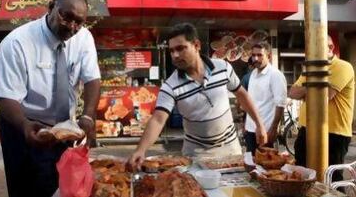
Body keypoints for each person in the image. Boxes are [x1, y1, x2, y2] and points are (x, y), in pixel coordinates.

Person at [0, 0, 101, 197]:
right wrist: (24, 125)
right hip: (24, 125)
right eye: (67, 17)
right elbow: (6, 96)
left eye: (79, 22)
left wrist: (88, 116)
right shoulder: (17, 42)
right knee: (26, 187)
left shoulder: (83, 38)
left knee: (63, 185)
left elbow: (92, 79)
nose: (72, 27)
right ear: (51, 8)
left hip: (64, 127)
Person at [129, 23, 267, 167]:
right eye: (171, 51)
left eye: (180, 48)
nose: (175, 55)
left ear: (196, 45)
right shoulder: (170, 86)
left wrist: (259, 125)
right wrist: (140, 150)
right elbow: (158, 119)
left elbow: (242, 95)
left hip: (230, 148)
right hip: (196, 154)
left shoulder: (223, 67)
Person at [289, 35, 354, 182]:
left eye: (315, 48)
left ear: (330, 48)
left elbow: (325, 95)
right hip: (306, 129)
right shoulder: (311, 68)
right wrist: (314, 87)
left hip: (334, 132)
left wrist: (306, 89)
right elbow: (293, 92)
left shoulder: (342, 66)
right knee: (302, 175)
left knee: (330, 178)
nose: (310, 53)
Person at [244, 43, 287, 155]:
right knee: (251, 164)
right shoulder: (253, 74)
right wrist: (246, 124)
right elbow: (251, 101)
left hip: (265, 131)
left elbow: (280, 104)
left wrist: (273, 128)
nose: (256, 58)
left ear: (269, 56)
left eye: (260, 55)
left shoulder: (275, 75)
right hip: (250, 130)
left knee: (265, 166)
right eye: (253, 55)